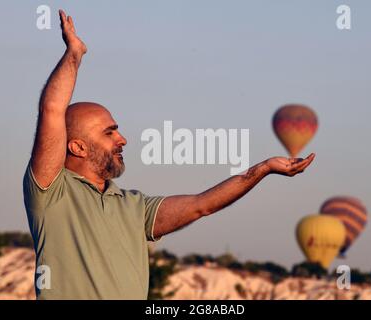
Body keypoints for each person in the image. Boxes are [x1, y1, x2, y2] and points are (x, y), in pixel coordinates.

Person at [23, 10, 315, 300]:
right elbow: (52, 111)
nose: (122, 139)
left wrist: (263, 169)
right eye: (109, 133)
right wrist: (74, 54)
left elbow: (202, 205)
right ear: (78, 147)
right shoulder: (51, 192)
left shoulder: (135, 206)